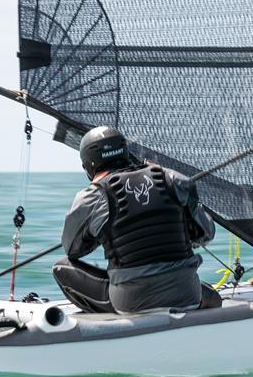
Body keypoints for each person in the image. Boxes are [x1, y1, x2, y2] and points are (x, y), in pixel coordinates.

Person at [52, 126, 220, 313]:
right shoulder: (173, 179)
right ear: (125, 151)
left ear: (88, 165)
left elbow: (73, 250)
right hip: (187, 296)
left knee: (61, 267)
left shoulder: (91, 196)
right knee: (210, 294)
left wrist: (107, 233)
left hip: (130, 304)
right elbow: (207, 233)